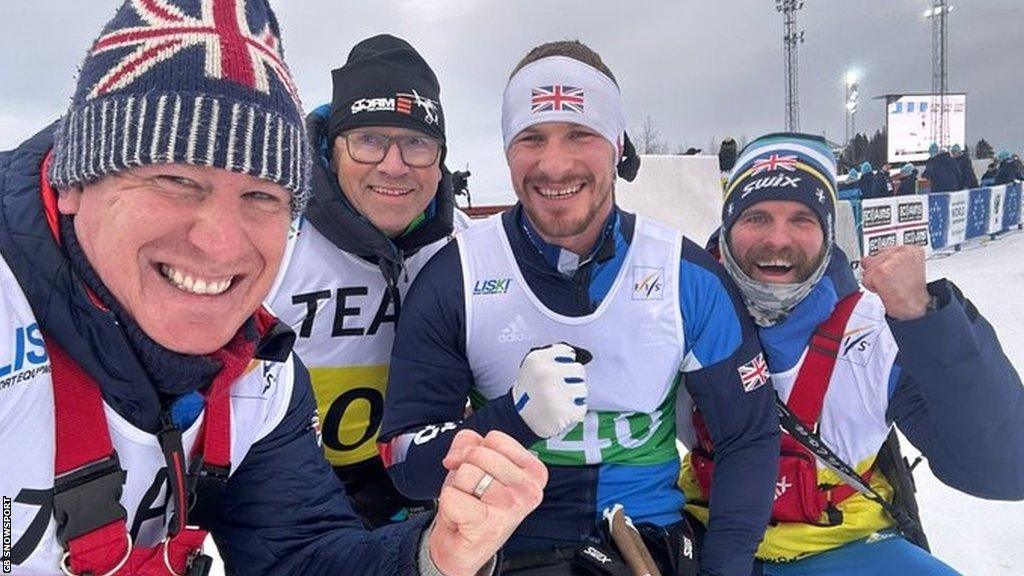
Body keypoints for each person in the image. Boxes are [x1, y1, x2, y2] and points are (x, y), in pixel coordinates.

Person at [0, 2, 545, 575]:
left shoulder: (261, 369)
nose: (219, 242)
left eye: (261, 195)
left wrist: (437, 558)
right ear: (75, 181)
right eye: (176, 179)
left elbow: (297, 556)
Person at [378, 40, 779, 576]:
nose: (554, 163)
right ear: (507, 150)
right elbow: (407, 463)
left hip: (646, 542)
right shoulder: (457, 277)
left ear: (616, 144)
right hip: (505, 548)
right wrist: (515, 418)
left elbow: (747, 437)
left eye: (580, 134)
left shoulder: (685, 277)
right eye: (532, 138)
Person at [680, 133, 1024, 576]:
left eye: (802, 219)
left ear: (827, 233)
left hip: (842, 543)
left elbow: (1003, 467)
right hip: (700, 536)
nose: (777, 238)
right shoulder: (681, 308)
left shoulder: (876, 328)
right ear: (727, 228)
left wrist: (926, 320)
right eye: (757, 217)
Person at [265, 34, 469, 529]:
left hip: (416, 490)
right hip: (285, 499)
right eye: (369, 139)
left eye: (416, 143)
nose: (394, 165)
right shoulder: (275, 235)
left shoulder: (463, 247)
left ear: (440, 160)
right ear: (331, 150)